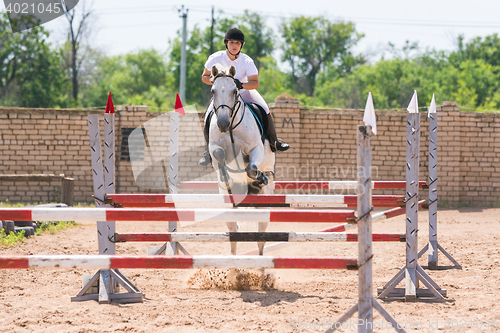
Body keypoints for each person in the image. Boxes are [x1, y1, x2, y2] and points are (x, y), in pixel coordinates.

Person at [198, 27, 290, 166]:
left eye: (237, 43)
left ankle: (274, 141)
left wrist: (241, 85)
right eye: (231, 43)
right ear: (226, 43)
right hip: (223, 96)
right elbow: (204, 77)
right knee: (208, 115)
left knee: (264, 109)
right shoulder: (215, 58)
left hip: (244, 92)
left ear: (241, 45)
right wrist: (215, 81)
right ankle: (207, 152)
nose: (234, 46)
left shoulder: (247, 61)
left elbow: (255, 83)